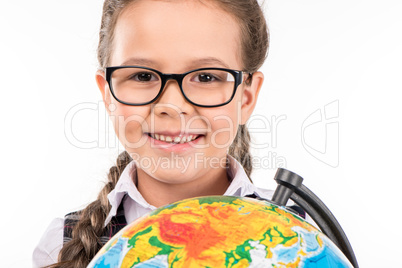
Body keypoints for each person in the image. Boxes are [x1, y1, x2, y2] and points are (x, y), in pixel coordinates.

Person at [32, 0, 278, 267]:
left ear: (246, 97)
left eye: (206, 77)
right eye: (142, 76)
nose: (171, 107)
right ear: (107, 93)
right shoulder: (60, 247)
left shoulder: (306, 235)